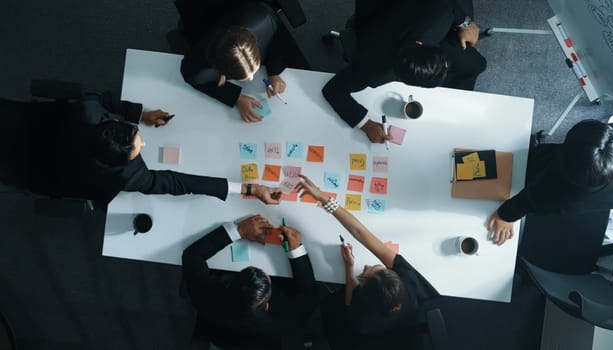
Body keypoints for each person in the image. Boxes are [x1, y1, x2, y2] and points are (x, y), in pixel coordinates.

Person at [5, 92, 281, 207]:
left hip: (17, 121)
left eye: (137, 137)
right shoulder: (123, 174)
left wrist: (139, 114)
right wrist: (248, 189)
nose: (145, 143)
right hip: (25, 171)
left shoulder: (87, 112)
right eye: (138, 148)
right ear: (115, 162)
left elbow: (100, 100)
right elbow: (174, 182)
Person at [295, 175, 440, 349]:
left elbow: (349, 300)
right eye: (375, 267)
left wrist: (349, 268)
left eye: (363, 275)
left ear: (362, 295)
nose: (365, 266)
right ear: (394, 275)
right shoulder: (408, 278)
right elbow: (360, 232)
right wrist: (324, 199)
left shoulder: (363, 321)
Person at [322, 0, 486, 143]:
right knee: (474, 65)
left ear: (421, 44)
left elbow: (448, 4)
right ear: (404, 81)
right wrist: (366, 125)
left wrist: (465, 24)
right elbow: (333, 90)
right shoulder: (372, 71)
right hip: (379, 34)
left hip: (412, 13)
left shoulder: (437, 17)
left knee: (477, 65)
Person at [182, 215, 318, 349]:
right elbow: (308, 295)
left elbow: (192, 256)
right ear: (266, 306)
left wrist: (240, 230)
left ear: (230, 281)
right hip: (256, 340)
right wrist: (296, 250)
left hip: (220, 335)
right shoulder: (288, 322)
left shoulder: (204, 297)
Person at [488, 119, 613, 245]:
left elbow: (529, 201)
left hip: (542, 180)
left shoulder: (560, 196)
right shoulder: (596, 162)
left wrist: (505, 216)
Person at [180, 0, 292, 122]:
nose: (251, 79)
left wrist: (273, 73)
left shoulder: (265, 18)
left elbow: (276, 37)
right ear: (220, 70)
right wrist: (236, 98)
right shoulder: (199, 66)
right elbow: (191, 77)